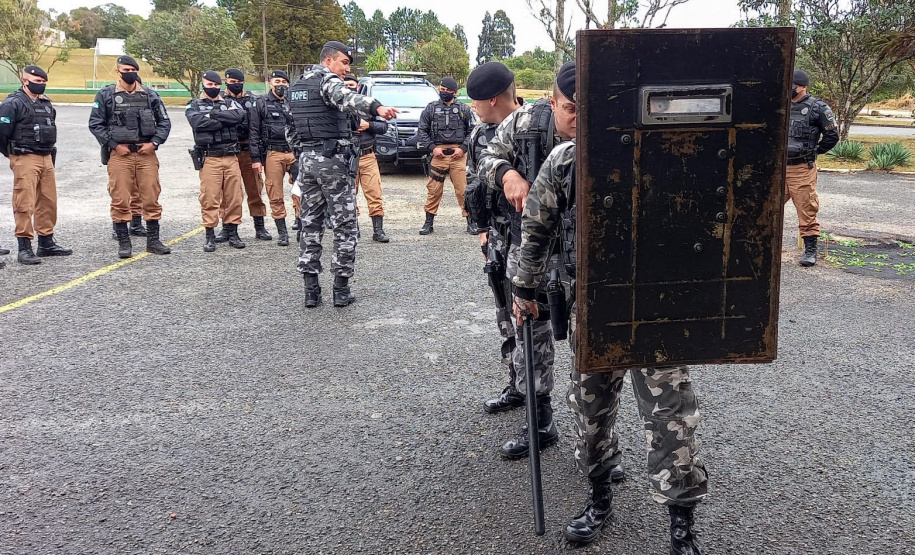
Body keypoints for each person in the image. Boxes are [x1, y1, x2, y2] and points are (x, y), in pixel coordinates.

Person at [509, 62, 706, 553]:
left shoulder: (664, 150)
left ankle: (681, 526)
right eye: (569, 107)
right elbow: (536, 230)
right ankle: (599, 499)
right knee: (590, 412)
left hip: (657, 311)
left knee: (673, 420)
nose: (574, 117)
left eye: (583, 107)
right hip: (594, 310)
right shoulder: (565, 161)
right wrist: (525, 291)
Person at [286, 41, 397, 308]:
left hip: (307, 161)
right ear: (328, 60)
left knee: (310, 225)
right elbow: (346, 98)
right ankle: (341, 290)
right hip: (333, 162)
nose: (347, 69)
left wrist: (303, 156)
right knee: (345, 226)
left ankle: (311, 291)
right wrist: (376, 107)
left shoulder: (297, 86)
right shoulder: (327, 81)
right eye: (344, 63)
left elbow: (290, 129)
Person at [89, 55, 172, 259]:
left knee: (151, 197)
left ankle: (153, 241)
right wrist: (114, 146)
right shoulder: (106, 95)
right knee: (120, 198)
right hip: (120, 155)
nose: (129, 73)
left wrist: (154, 143)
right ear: (117, 71)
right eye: (125, 70)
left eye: (133, 70)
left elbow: (164, 122)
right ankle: (124, 243)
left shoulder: (151, 95)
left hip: (146, 154)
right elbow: (95, 124)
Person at [0, 65, 72, 265]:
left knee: (48, 200)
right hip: (25, 156)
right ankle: (24, 247)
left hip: (46, 157)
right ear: (25, 81)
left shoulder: (46, 103)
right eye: (37, 81)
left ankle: (46, 242)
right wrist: (12, 155)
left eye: (43, 82)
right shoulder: (13, 103)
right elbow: (2, 133)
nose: (41, 85)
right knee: (24, 202)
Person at [185, 70, 247, 252]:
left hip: (231, 156)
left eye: (216, 85)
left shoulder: (230, 102)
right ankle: (210, 235)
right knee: (209, 197)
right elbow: (197, 123)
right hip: (210, 157)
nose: (213, 87)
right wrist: (225, 119)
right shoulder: (193, 104)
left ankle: (233, 232)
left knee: (234, 197)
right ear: (203, 85)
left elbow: (239, 116)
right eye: (209, 84)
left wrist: (212, 116)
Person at [787, 69, 839, 266]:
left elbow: (832, 136)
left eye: (793, 86)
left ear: (803, 87)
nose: (790, 89)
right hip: (777, 168)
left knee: (806, 209)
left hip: (801, 168)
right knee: (764, 207)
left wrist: (815, 152)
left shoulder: (818, 108)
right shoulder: (779, 105)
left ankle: (810, 251)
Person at [415, 76, 476, 235]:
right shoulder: (430, 109)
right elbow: (422, 130)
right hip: (438, 155)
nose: (444, 92)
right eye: (442, 89)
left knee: (463, 190)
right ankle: (428, 223)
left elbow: (473, 131)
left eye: (448, 90)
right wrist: (432, 148)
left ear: (454, 92)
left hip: (458, 155)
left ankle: (471, 222)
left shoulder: (464, 110)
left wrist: (463, 148)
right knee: (434, 190)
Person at [218, 68, 272, 243]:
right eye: (232, 82)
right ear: (226, 82)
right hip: (228, 150)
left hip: (249, 150)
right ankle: (227, 227)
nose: (235, 85)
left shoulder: (253, 100)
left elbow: (260, 126)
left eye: (238, 82)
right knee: (228, 192)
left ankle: (259, 226)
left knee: (254, 190)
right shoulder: (220, 100)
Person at [250, 69, 294, 246]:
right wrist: (256, 159)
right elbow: (254, 131)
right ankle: (282, 232)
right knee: (275, 193)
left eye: (283, 82)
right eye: (277, 82)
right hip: (273, 153)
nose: (280, 85)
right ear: (270, 83)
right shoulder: (261, 103)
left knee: (302, 191)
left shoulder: (294, 101)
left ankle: (302, 227)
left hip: (294, 152)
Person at [344, 74, 390, 243]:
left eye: (352, 85)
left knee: (374, 193)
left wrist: (368, 125)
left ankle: (378, 230)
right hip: (346, 156)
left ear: (358, 87)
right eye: (345, 85)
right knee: (348, 195)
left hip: (367, 155)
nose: (349, 88)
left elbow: (384, 126)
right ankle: (352, 228)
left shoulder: (368, 104)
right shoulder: (337, 105)